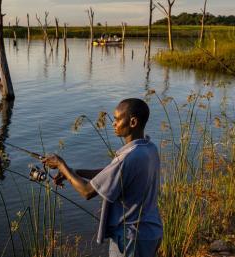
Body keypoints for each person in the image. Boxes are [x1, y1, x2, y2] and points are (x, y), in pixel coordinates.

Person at [42, 98, 162, 257]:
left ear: (132, 122)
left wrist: (61, 165)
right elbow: (110, 173)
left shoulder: (128, 157)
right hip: (151, 232)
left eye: (118, 119)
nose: (114, 123)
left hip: (130, 240)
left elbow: (87, 191)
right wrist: (74, 172)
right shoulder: (148, 148)